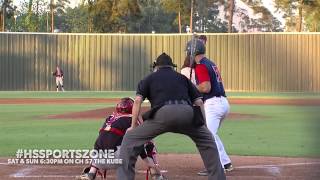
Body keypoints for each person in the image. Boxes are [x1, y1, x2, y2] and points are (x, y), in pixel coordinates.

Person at [117, 53, 226, 180]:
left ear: (156, 66)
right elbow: (199, 102)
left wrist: (132, 126)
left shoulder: (148, 78)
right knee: (208, 142)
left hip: (162, 114)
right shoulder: (182, 78)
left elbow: (137, 101)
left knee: (130, 139)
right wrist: (205, 127)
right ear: (172, 66)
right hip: (187, 114)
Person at [76, 97, 166, 180]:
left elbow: (103, 139)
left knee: (104, 140)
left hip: (97, 160)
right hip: (117, 160)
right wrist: (148, 162)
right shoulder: (131, 119)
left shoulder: (110, 118)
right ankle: (155, 173)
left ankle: (91, 173)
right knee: (148, 142)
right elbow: (140, 143)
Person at [185, 39, 233, 176]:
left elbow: (206, 87)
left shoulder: (200, 66)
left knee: (207, 137)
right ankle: (225, 162)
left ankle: (215, 167)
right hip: (222, 103)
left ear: (192, 52)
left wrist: (191, 87)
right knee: (211, 134)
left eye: (189, 52)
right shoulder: (210, 63)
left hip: (213, 104)